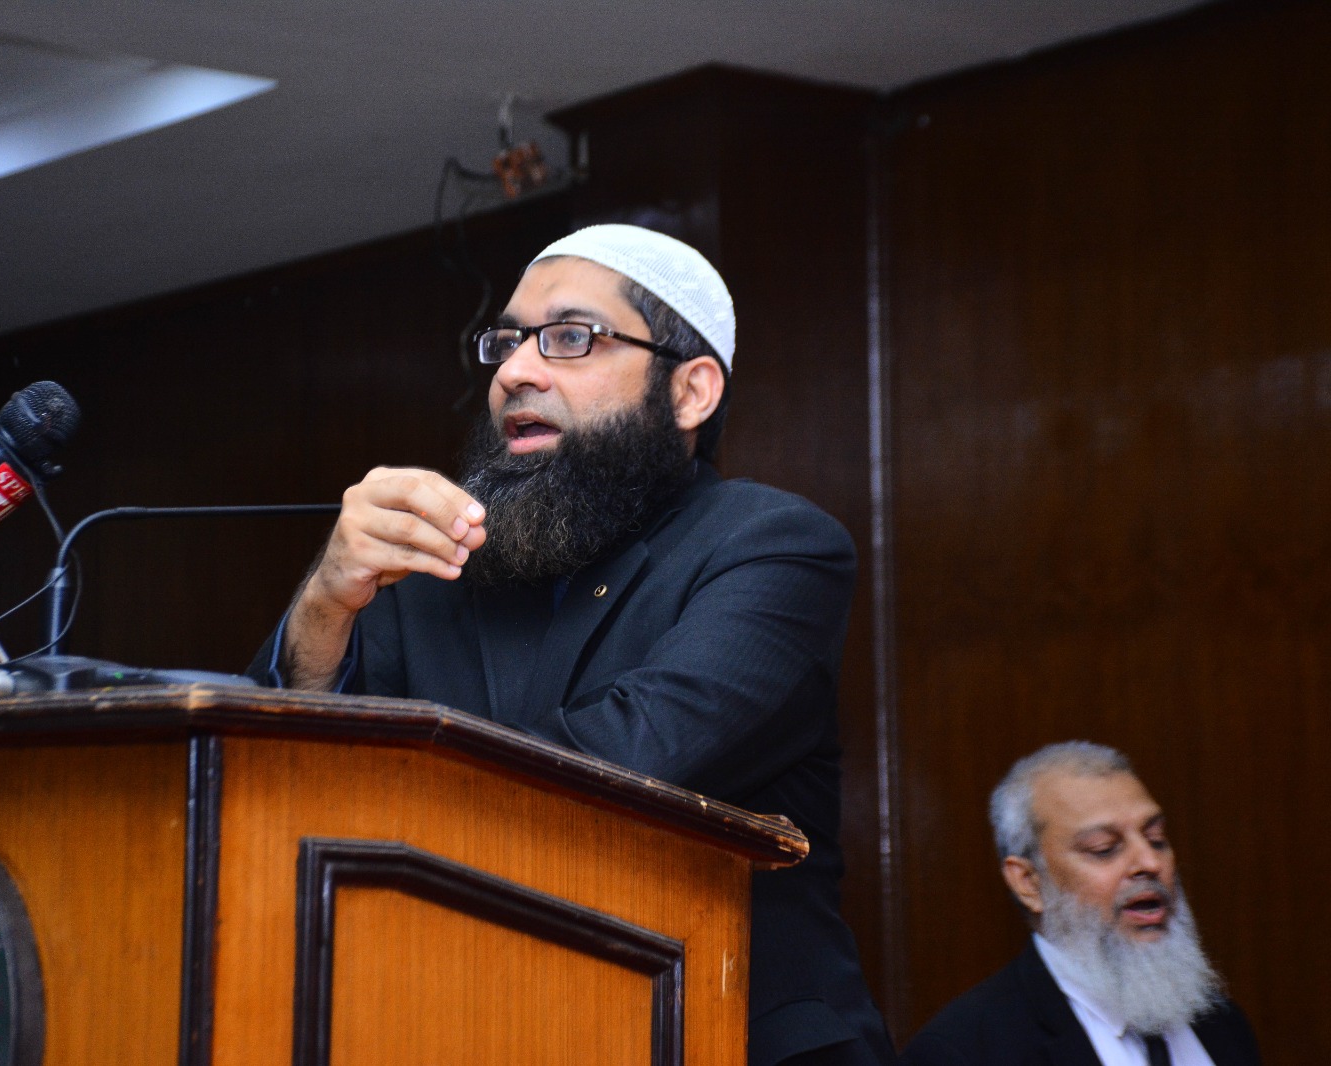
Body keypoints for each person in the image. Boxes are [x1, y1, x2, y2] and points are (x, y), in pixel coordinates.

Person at [248, 223, 892, 1066]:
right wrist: (326, 603)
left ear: (690, 391)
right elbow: (283, 791)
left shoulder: (770, 544)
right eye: (508, 340)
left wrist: (395, 780)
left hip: (723, 1037)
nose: (515, 371)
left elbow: (637, 758)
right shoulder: (432, 570)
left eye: (571, 337)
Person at [899, 741, 1260, 1066]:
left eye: (1156, 838)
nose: (1150, 862)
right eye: (1104, 849)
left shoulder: (1222, 1024)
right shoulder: (963, 1052)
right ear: (1029, 883)